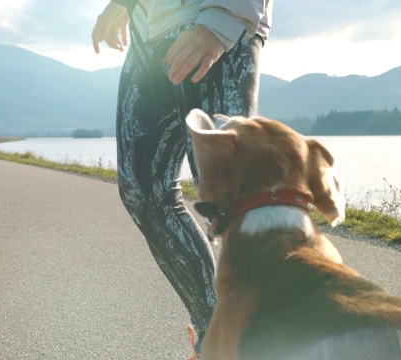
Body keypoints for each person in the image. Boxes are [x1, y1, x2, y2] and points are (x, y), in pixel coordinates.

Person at [92, 0, 272, 356]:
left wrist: (224, 18)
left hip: (211, 21)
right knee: (143, 193)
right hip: (148, 30)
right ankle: (218, 340)